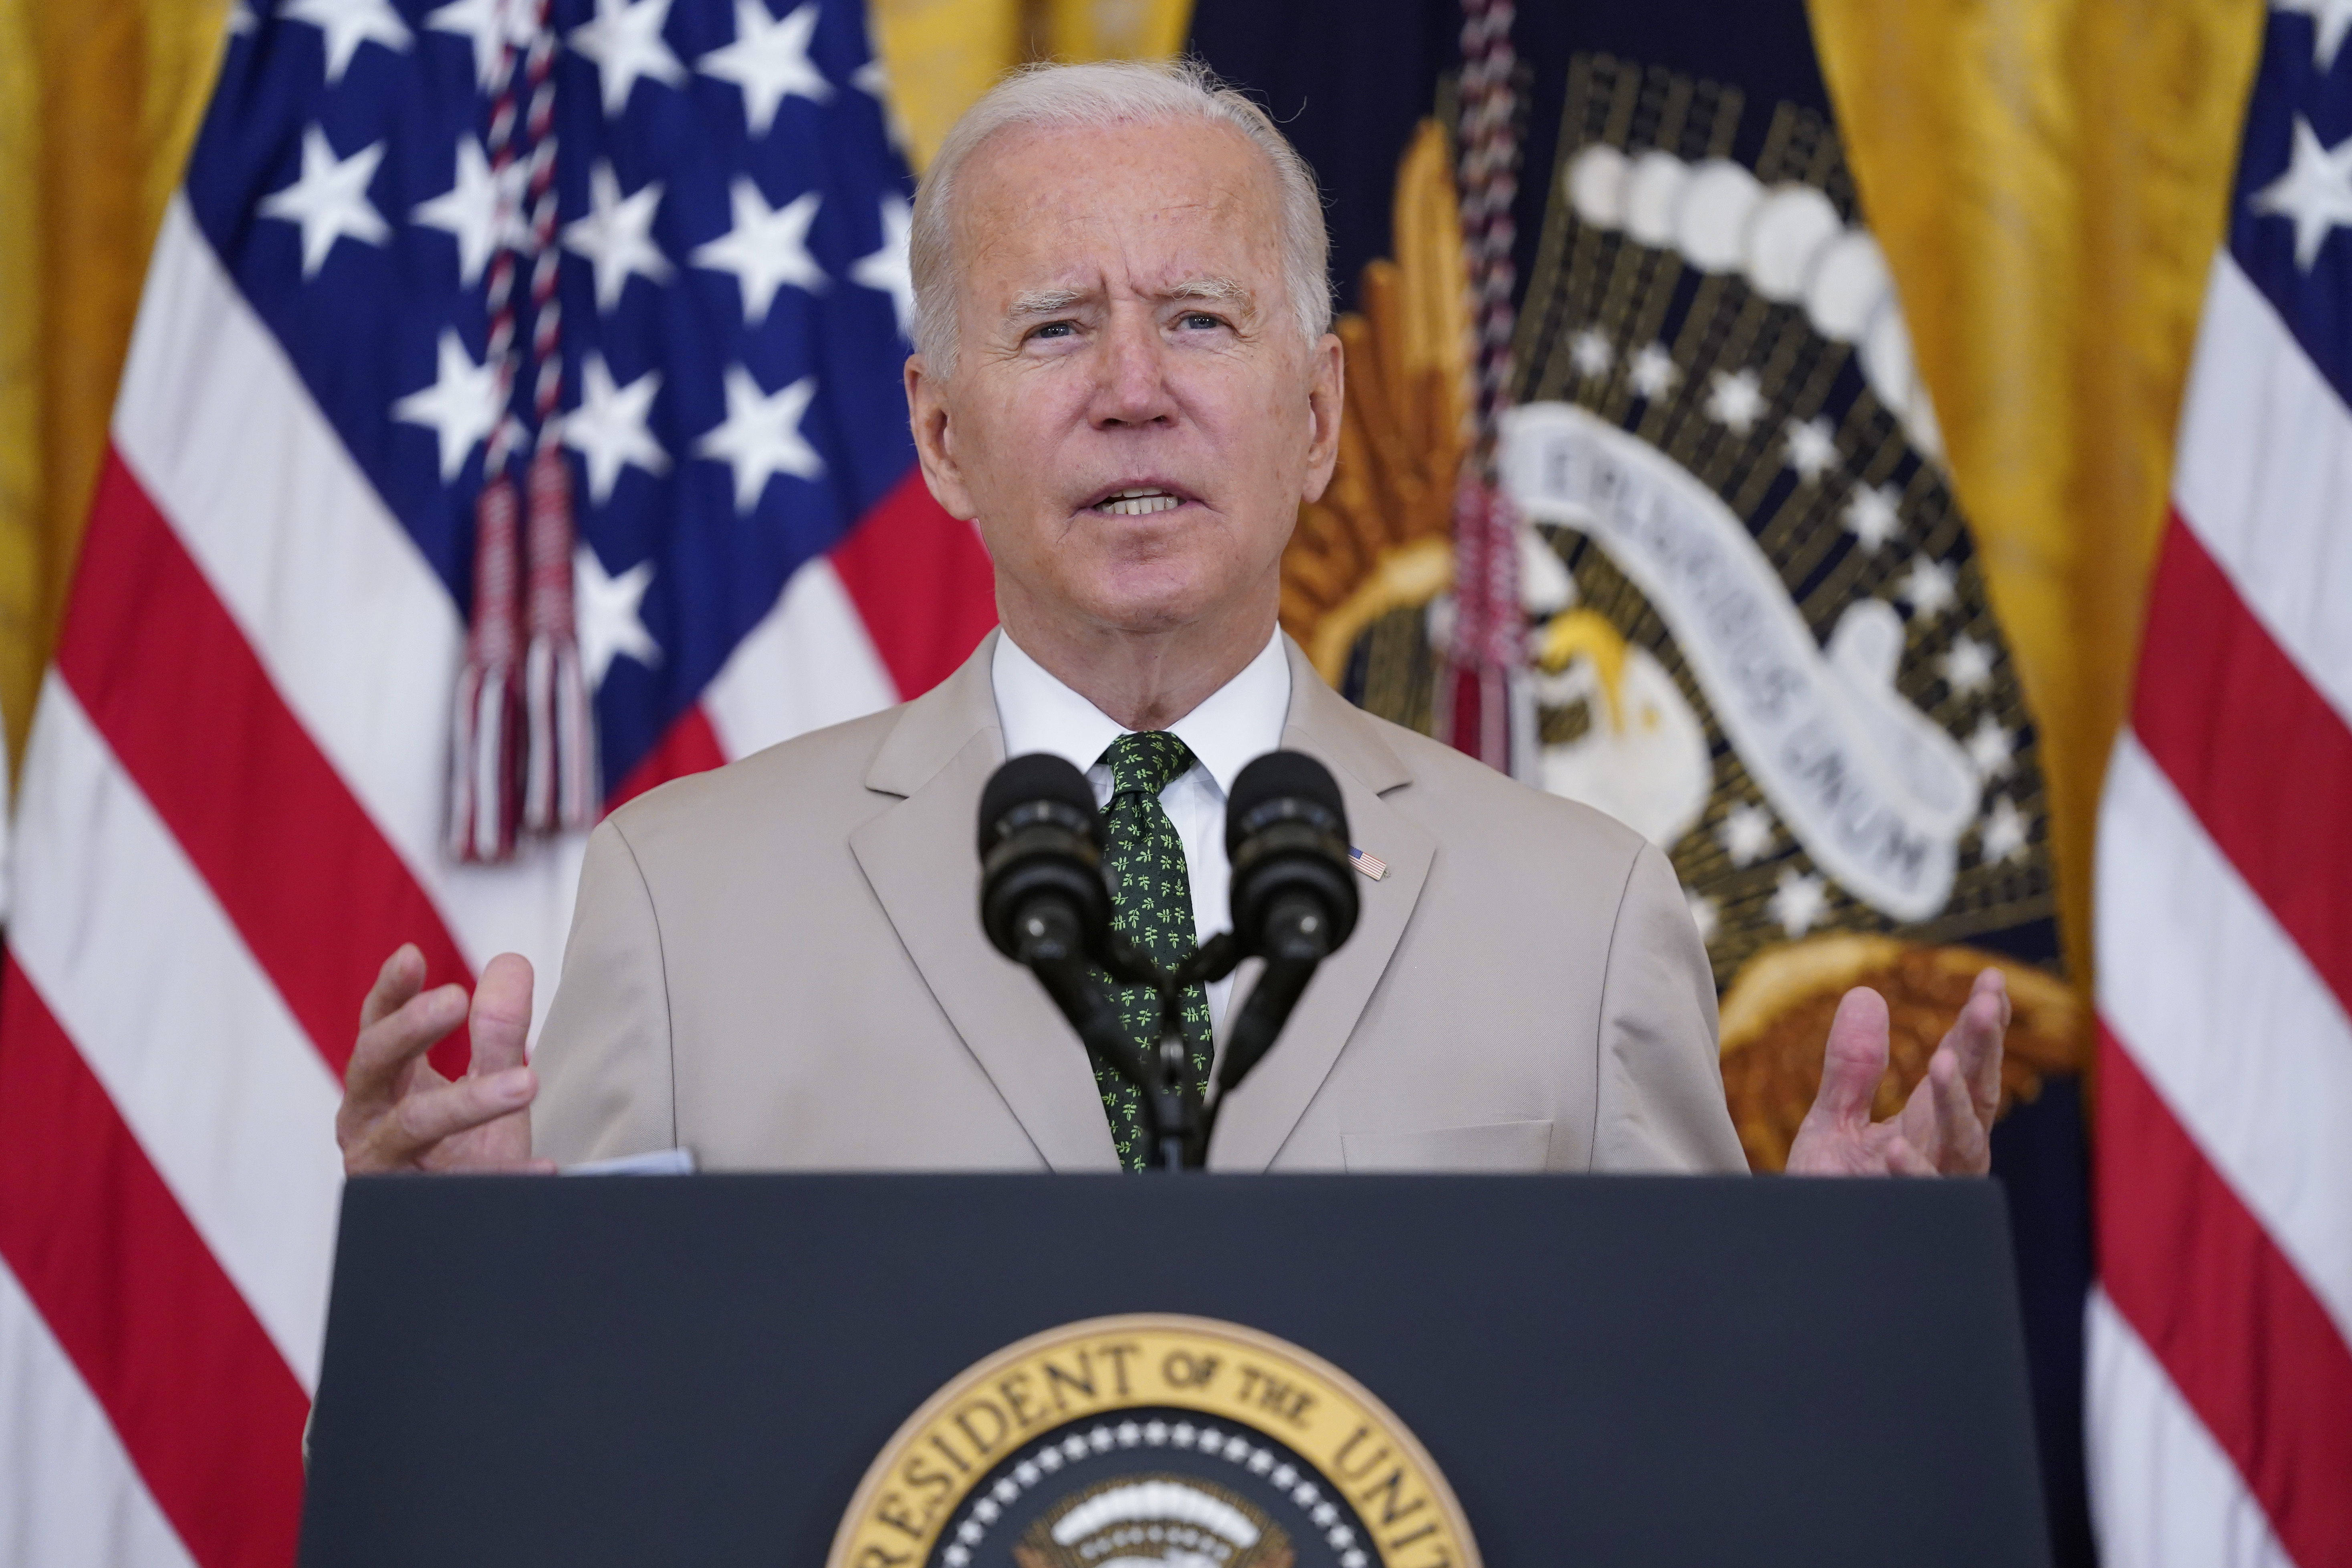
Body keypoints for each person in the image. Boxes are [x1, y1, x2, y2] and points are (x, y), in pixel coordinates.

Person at [335, 61, 2008, 1179]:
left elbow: (1690, 1466)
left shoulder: (1583, 918)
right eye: (1056, 328)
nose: (1133, 394)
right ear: (937, 433)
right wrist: (459, 1283)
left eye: (1199, 320)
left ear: (1319, 416)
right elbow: (542, 1472)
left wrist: (1840, 1320)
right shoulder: (685, 905)